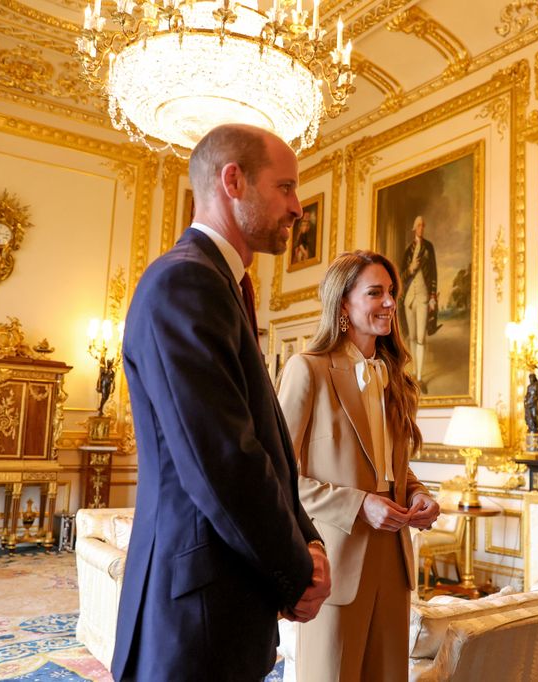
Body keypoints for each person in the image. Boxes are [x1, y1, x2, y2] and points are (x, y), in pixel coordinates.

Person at [112, 124, 331, 681]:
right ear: (233, 180)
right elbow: (222, 460)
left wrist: (308, 538)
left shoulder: (223, 285)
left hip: (222, 597)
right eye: (285, 188)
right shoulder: (183, 282)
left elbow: (262, 445)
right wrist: (296, 570)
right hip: (192, 611)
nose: (297, 207)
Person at [277, 250, 440, 682]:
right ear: (343, 305)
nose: (389, 303)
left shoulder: (397, 380)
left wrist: (419, 493)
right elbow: (276, 474)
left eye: (391, 293)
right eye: (375, 293)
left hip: (395, 556)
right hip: (335, 555)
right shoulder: (307, 370)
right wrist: (357, 504)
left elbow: (394, 469)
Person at [400, 215, 437, 391]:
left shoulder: (429, 248)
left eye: (423, 225)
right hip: (409, 298)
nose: (421, 228)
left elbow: (434, 273)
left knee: (421, 337)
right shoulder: (408, 251)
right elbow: (401, 276)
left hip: (422, 296)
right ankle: (414, 372)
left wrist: (432, 297)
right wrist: (411, 268)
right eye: (419, 225)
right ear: (414, 229)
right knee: (413, 337)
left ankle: (420, 376)